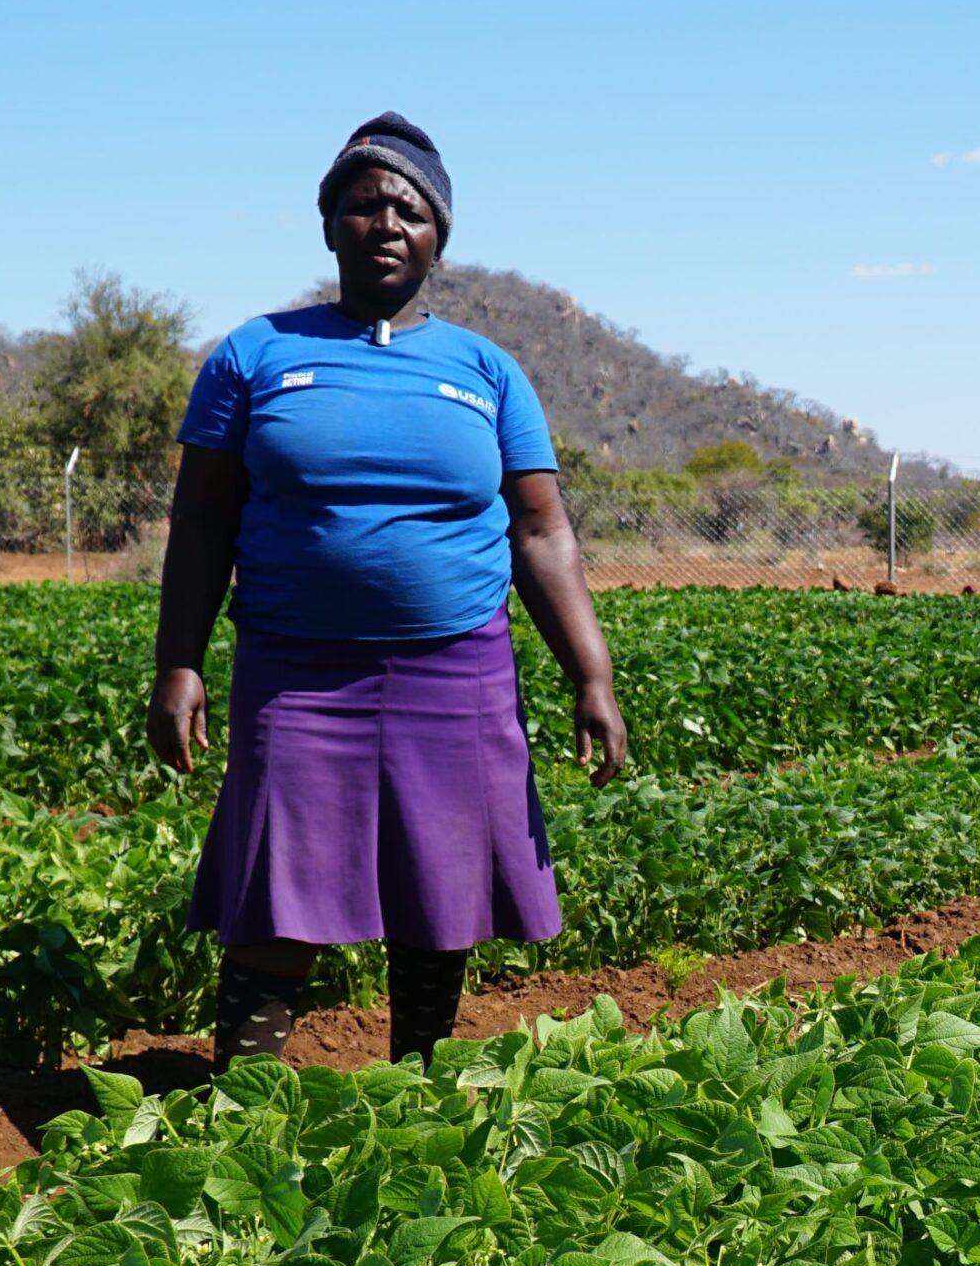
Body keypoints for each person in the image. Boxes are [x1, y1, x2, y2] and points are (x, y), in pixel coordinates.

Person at [146, 110, 627, 1071]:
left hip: (454, 672)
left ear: (438, 236)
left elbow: (542, 531)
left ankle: (421, 1090)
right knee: (277, 889)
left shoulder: (486, 372)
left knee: (439, 890)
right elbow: (201, 520)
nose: (386, 223)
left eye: (409, 209)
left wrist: (592, 675)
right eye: (363, 206)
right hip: (296, 671)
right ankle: (242, 1098)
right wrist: (179, 662)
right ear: (330, 226)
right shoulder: (257, 355)